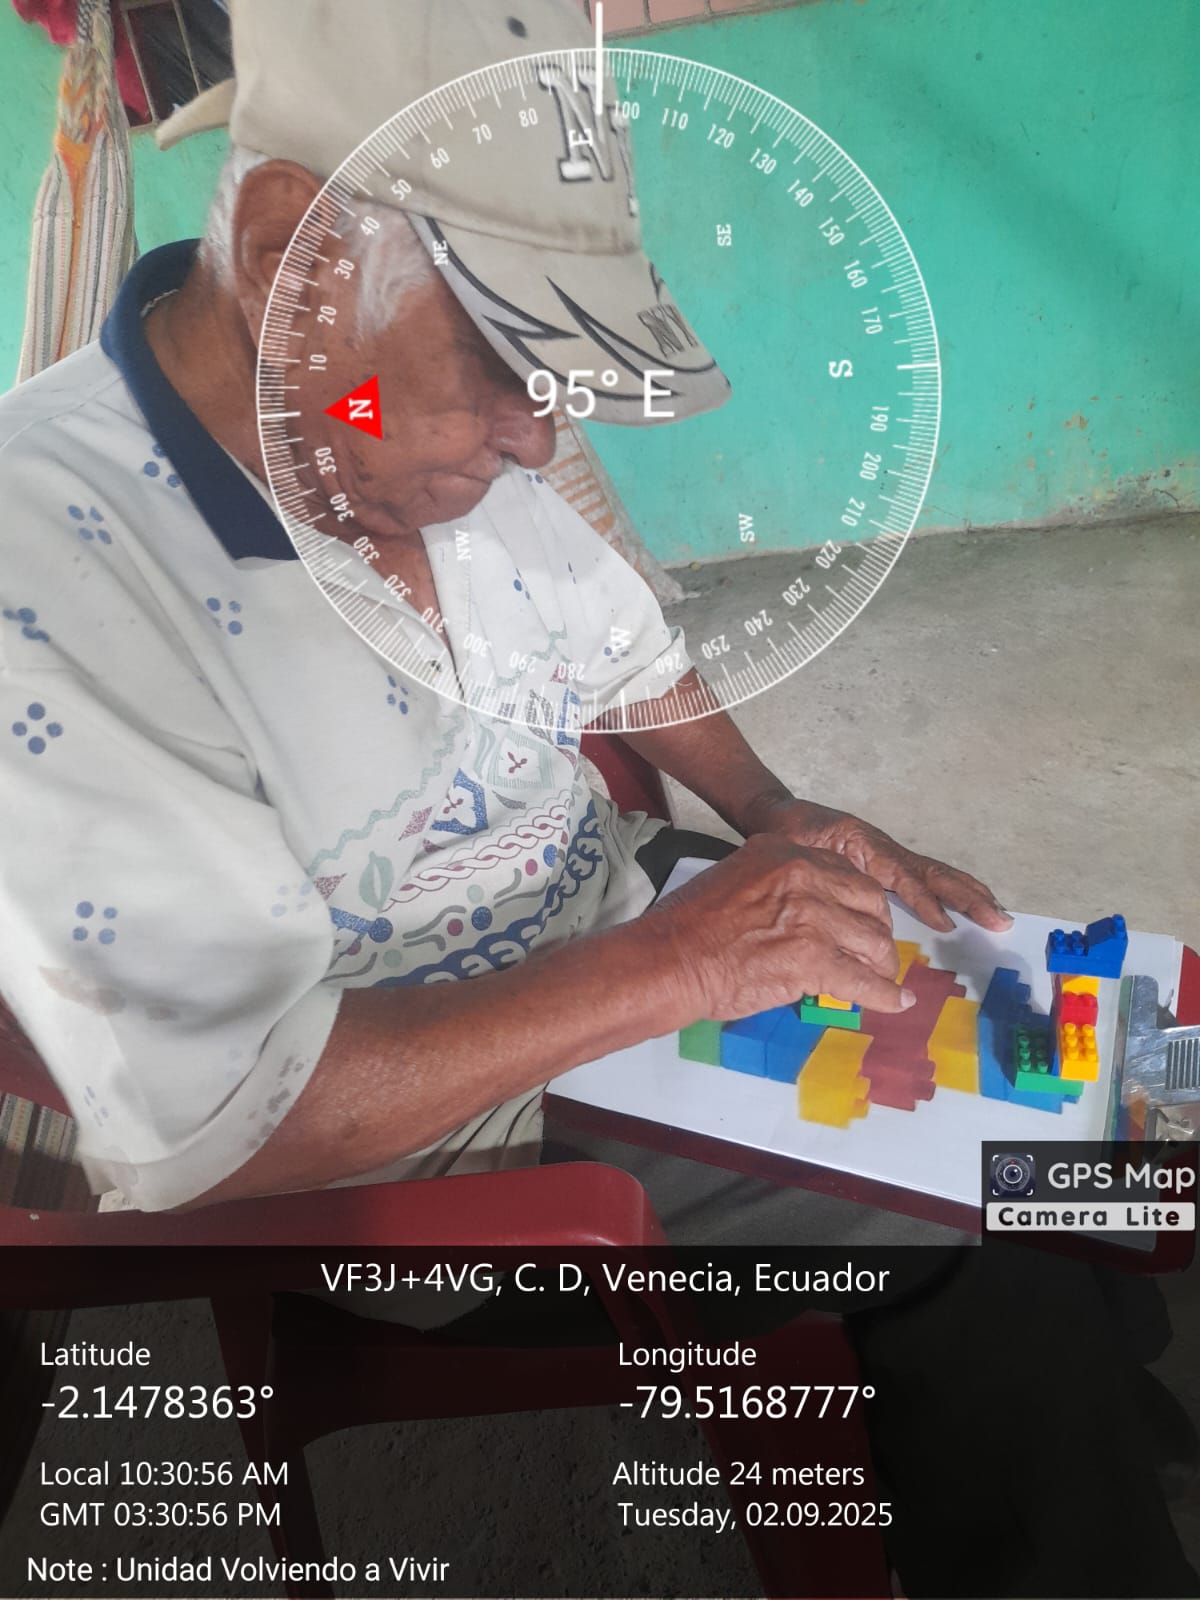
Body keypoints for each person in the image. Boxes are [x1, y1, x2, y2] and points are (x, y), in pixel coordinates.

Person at [0, 3, 1195, 1593]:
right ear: (292, 247)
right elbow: (227, 1126)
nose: (538, 435)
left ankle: (1084, 1394)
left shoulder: (397, 434)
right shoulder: (48, 574)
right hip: (444, 1129)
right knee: (986, 1212)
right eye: (504, 361)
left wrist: (771, 812)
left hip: (619, 929)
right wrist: (680, 963)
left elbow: (620, 647)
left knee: (1086, 1058)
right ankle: (1065, 1454)